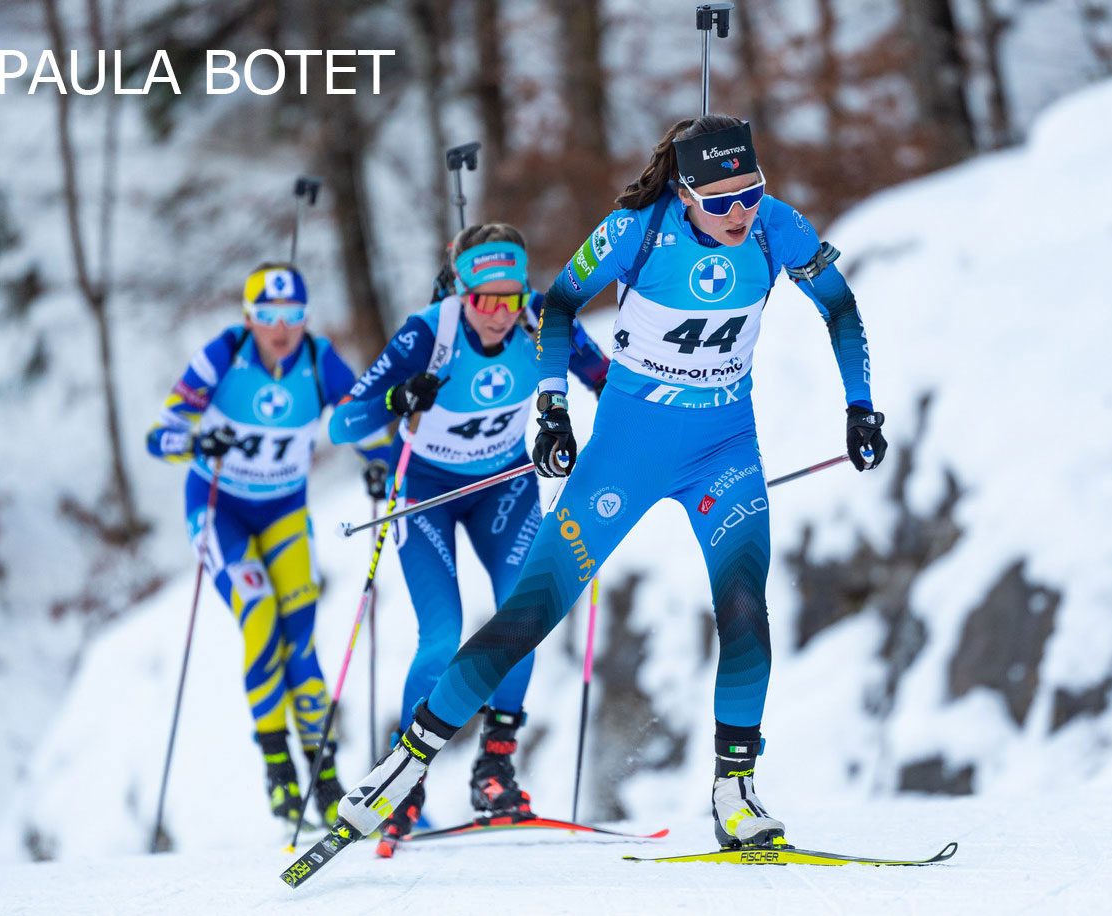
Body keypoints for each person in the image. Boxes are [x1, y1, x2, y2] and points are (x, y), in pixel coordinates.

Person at [332, 115, 887, 850]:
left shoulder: (774, 227)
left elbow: (839, 309)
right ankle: (404, 767)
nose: (739, 211)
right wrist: (553, 410)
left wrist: (859, 405)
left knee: (746, 609)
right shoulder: (635, 231)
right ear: (685, 192)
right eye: (719, 200)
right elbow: (557, 304)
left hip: (723, 448)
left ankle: (735, 792)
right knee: (530, 612)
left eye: (748, 191)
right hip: (626, 451)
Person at [329, 223, 608, 843]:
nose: (499, 314)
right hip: (427, 494)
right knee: (443, 636)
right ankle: (403, 782)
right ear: (461, 290)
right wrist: (398, 398)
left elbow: (607, 381)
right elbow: (344, 424)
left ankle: (495, 768)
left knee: (525, 615)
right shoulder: (427, 332)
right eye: (484, 299)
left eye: (510, 298)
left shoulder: (541, 320)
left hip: (504, 489)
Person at [146, 262, 396, 829]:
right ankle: (280, 773)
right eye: (267, 316)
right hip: (219, 509)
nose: (280, 328)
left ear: (305, 318)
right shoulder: (223, 355)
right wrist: (195, 439)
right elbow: (158, 437)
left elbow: (358, 419)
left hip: (284, 512)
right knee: (259, 613)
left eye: (292, 316)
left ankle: (326, 779)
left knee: (301, 641)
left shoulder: (317, 358)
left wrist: (386, 465)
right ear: (248, 317)